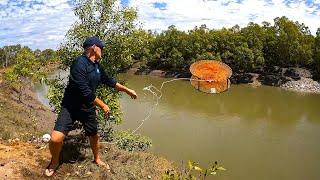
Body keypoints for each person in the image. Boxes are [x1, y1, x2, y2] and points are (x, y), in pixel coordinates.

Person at [45, 36, 137, 176]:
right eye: (102, 48)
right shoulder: (79, 63)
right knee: (55, 139)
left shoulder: (97, 66)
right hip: (70, 107)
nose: (103, 51)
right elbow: (84, 90)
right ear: (94, 47)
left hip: (87, 108)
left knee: (94, 135)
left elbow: (110, 81)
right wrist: (103, 105)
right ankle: (55, 161)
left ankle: (97, 159)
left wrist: (127, 90)